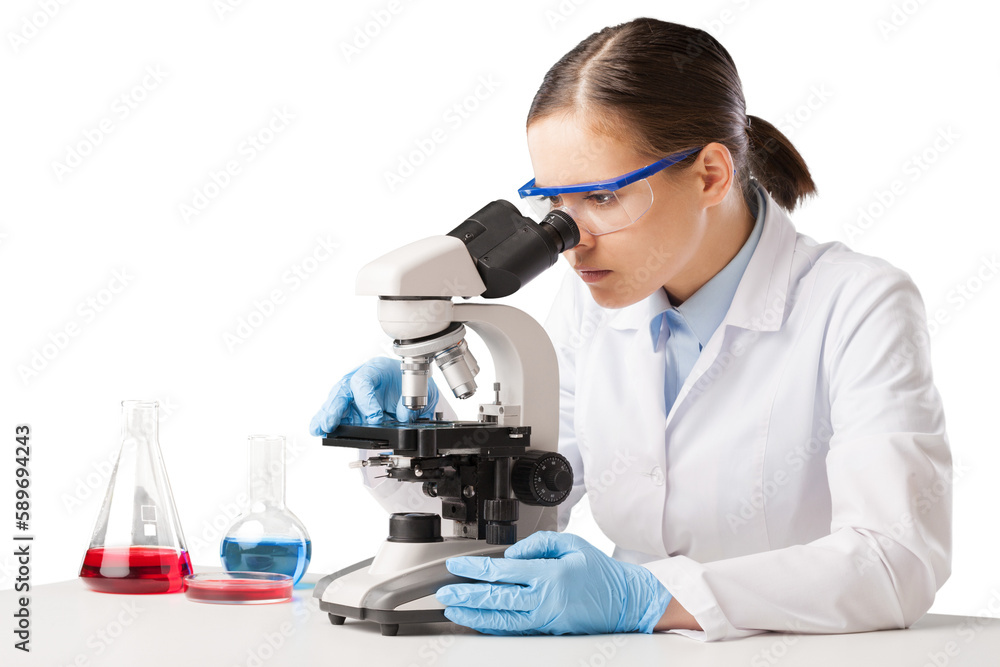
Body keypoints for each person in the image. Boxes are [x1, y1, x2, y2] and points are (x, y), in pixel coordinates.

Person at [309, 17, 951, 641]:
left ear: (710, 175)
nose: (569, 239)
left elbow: (896, 561)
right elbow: (529, 512)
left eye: (603, 198)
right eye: (557, 203)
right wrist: (429, 441)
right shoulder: (594, 299)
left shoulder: (859, 302)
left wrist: (647, 598)